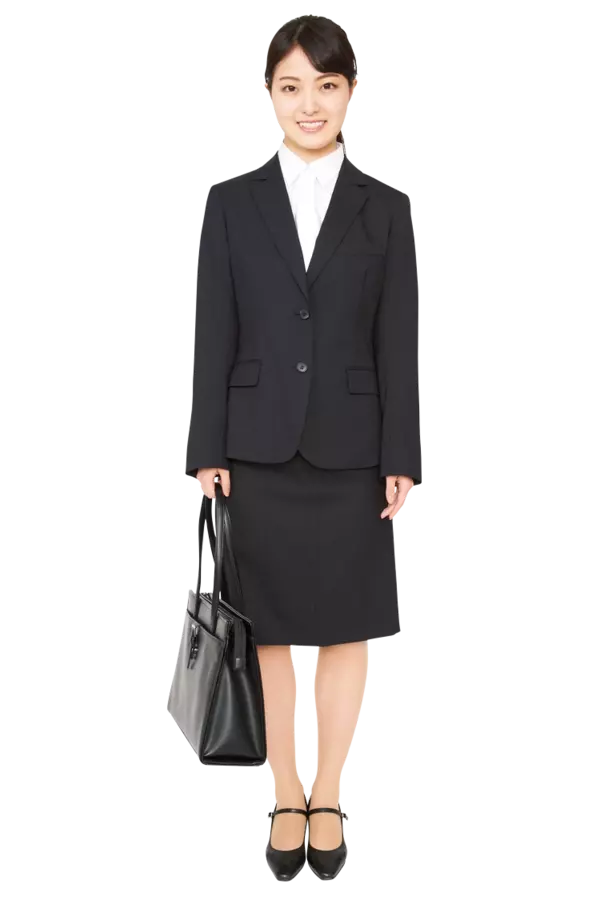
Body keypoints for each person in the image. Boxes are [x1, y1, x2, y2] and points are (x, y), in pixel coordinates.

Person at [185, 13, 424, 881]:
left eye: (326, 85)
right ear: (269, 95)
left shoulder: (385, 206)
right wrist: (205, 445)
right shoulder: (230, 202)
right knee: (272, 630)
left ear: (350, 92)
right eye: (291, 86)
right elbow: (215, 333)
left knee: (347, 629)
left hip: (352, 449)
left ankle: (330, 794)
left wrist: (402, 455)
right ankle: (285, 794)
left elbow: (399, 342)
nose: (309, 103)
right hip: (255, 445)